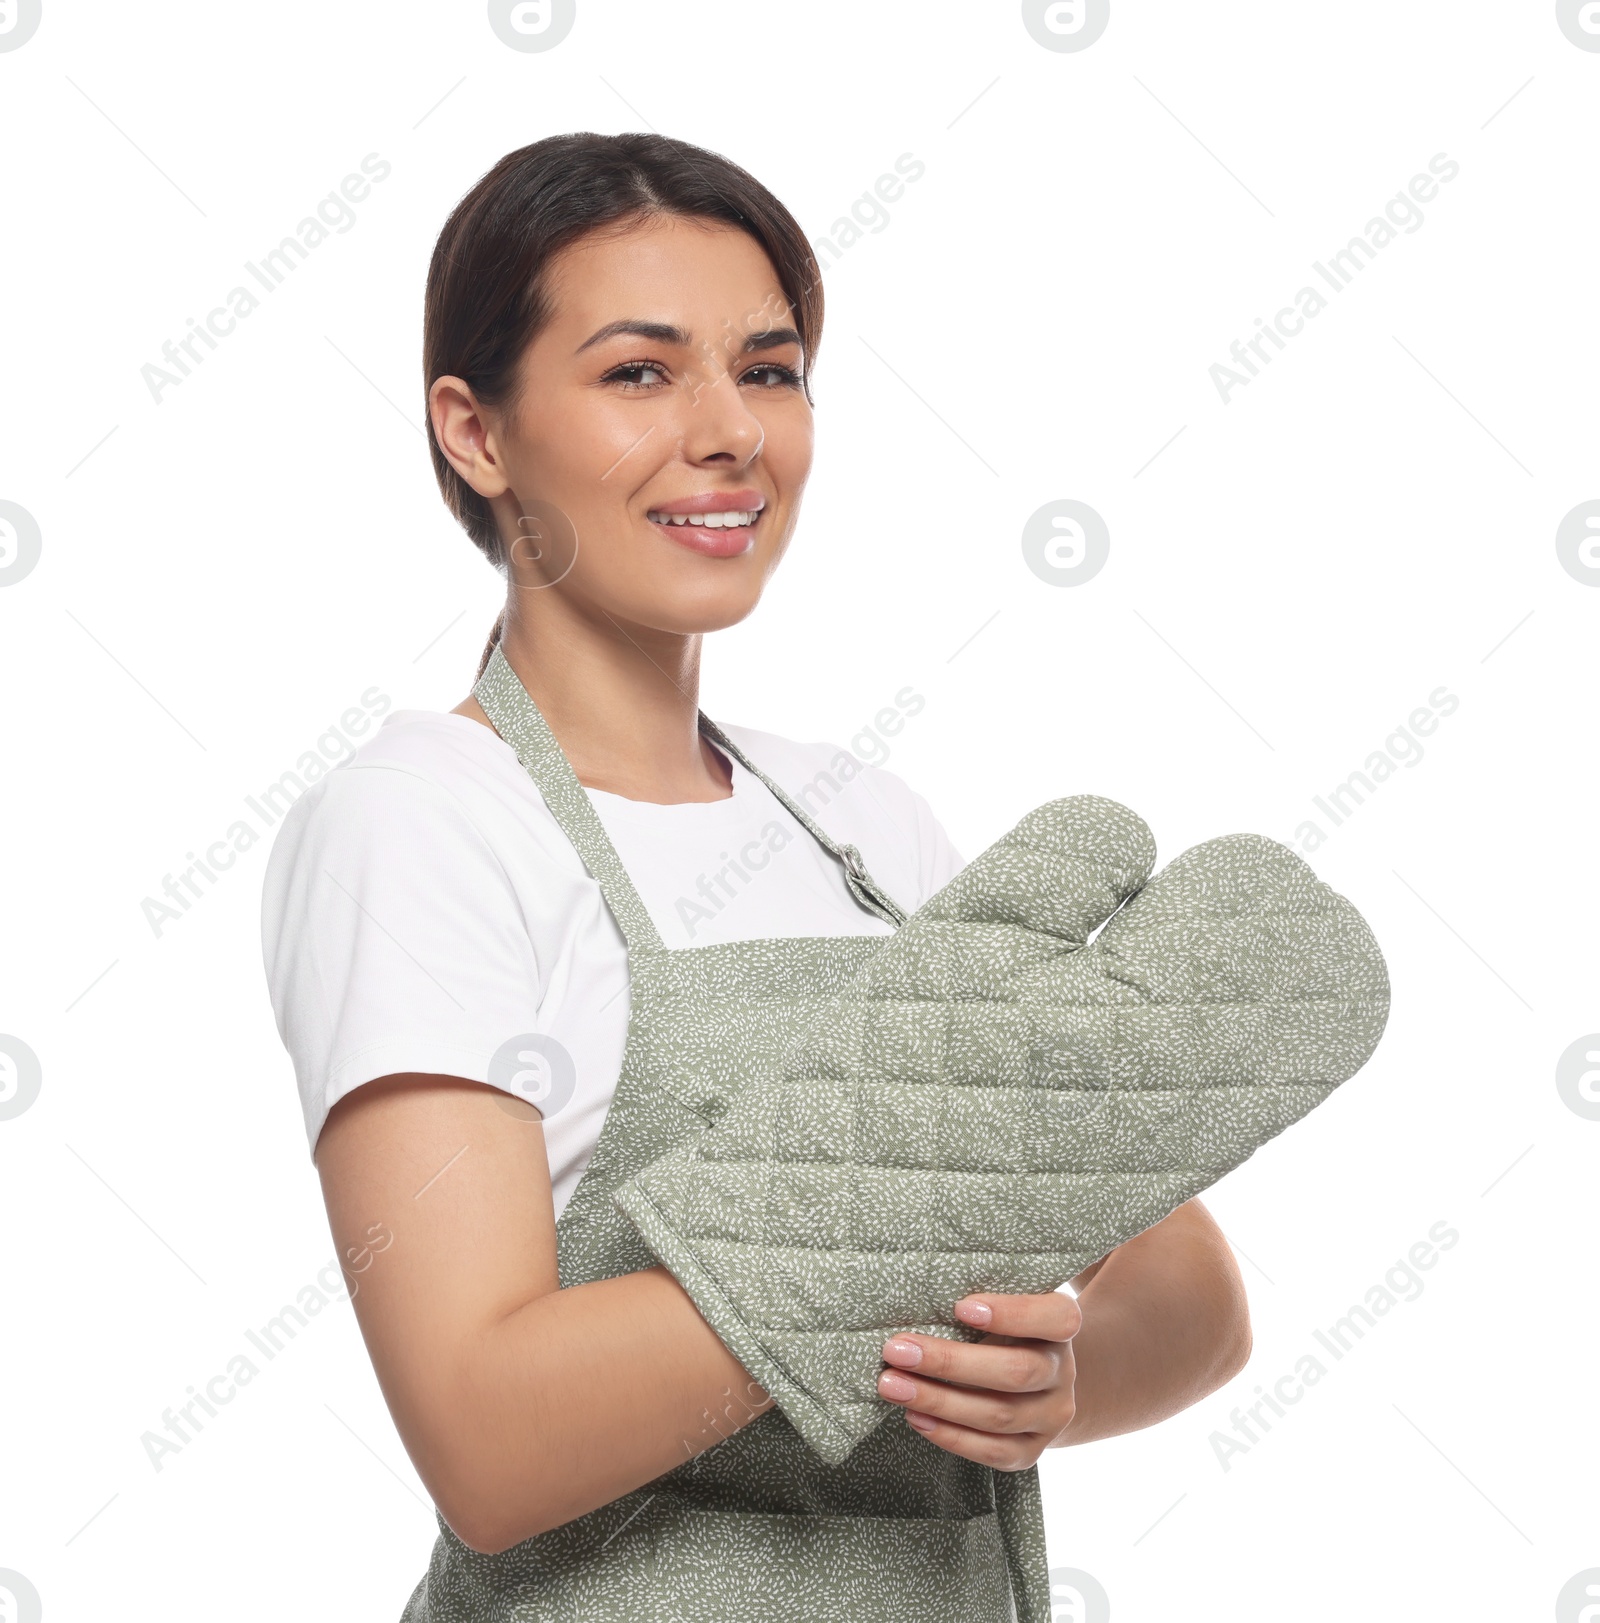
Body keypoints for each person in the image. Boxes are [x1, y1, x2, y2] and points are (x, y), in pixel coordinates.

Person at [260, 131, 1252, 1623]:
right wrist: (913, 1208)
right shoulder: (422, 822)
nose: (731, 432)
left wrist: (1053, 1380)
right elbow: (487, 1437)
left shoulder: (864, 824)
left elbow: (1190, 1292)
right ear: (475, 432)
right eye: (639, 373)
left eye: (771, 371)